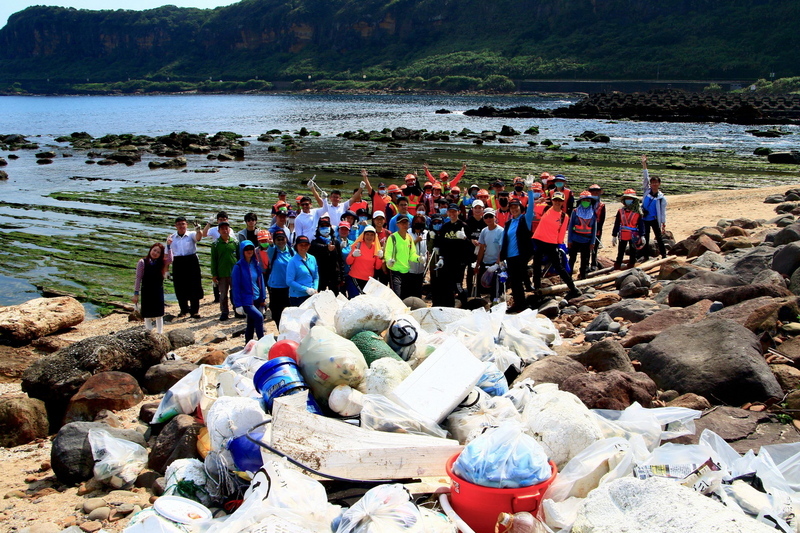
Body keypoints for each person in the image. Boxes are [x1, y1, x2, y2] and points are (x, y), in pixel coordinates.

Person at [532, 192, 580, 300]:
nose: (557, 202)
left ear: (563, 202)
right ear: (552, 200)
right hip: (539, 240)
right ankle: (536, 288)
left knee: (559, 266)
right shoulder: (545, 209)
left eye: (559, 200)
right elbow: (529, 209)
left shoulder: (564, 216)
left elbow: (562, 232)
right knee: (537, 265)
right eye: (555, 200)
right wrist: (536, 201)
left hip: (552, 243)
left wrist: (560, 244)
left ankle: (573, 288)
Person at [433, 203, 471, 306]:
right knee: (448, 285)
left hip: (459, 261)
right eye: (450, 211)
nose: (452, 214)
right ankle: (449, 305)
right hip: (447, 261)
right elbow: (442, 243)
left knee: (458, 285)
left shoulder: (463, 226)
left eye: (455, 211)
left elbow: (470, 245)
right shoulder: (445, 227)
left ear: (458, 212)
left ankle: (465, 305)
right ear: (448, 213)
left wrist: (464, 238)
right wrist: (441, 257)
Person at [167, 216, 204, 318]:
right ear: (175, 226)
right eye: (179, 224)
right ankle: (183, 310)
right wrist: (166, 270)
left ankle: (194, 311)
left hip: (191, 260)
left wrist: (199, 230)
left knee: (194, 286)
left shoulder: (191, 234)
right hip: (178, 262)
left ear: (186, 225)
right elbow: (168, 254)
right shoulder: (172, 237)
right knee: (179, 287)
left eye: (183, 224)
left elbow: (198, 238)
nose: (181, 226)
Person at [231, 240, 266, 343]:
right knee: (259, 318)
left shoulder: (256, 264)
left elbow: (261, 281)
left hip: (257, 298)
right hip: (246, 300)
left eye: (251, 248)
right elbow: (235, 286)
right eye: (246, 249)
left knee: (250, 323)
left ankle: (248, 344)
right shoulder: (238, 267)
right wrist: (238, 305)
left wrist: (263, 299)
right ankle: (262, 343)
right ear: (242, 251)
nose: (249, 251)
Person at [133, 243, 168, 333]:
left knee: (159, 314)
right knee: (147, 314)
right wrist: (136, 294)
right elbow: (138, 278)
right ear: (150, 250)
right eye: (154, 250)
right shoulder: (142, 262)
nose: (155, 253)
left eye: (158, 252)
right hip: (146, 291)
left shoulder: (162, 263)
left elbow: (171, 259)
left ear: (161, 254)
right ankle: (149, 333)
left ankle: (160, 333)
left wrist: (168, 246)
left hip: (158, 290)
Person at [384, 216, 419, 299]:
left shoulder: (409, 238)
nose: (404, 225)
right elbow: (387, 254)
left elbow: (412, 255)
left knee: (405, 297)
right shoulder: (392, 238)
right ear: (397, 225)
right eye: (402, 223)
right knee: (396, 296)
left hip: (406, 271)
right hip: (395, 271)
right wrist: (388, 261)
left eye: (406, 223)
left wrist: (419, 259)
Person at [640, 155, 668, 260]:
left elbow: (662, 211)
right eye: (652, 183)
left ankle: (664, 254)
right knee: (645, 237)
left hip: (654, 219)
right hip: (644, 218)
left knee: (659, 237)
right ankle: (645, 256)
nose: (654, 184)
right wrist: (644, 164)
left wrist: (663, 223)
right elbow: (645, 178)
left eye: (656, 183)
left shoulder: (661, 198)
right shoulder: (647, 191)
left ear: (659, 184)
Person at [210, 221, 238, 320]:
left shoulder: (235, 242)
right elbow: (213, 260)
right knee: (223, 294)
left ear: (229, 230)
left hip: (234, 273)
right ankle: (224, 312)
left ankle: (237, 310)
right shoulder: (215, 244)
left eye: (226, 228)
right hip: (222, 273)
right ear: (219, 231)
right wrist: (214, 274)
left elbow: (238, 258)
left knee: (235, 292)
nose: (225, 231)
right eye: (222, 229)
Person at [475, 209, 505, 302]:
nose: (488, 219)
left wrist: (497, 263)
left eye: (491, 217)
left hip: (496, 263)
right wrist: (477, 264)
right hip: (486, 261)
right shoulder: (484, 231)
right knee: (482, 285)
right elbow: (481, 248)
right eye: (486, 217)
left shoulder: (500, 231)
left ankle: (495, 303)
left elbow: (501, 248)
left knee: (496, 289)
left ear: (495, 217)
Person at [567, 191, 598, 280]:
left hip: (587, 240)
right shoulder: (575, 212)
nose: (586, 202)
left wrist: (592, 242)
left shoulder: (593, 213)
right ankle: (568, 276)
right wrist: (569, 240)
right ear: (580, 201)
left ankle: (583, 276)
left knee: (585, 260)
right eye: (584, 200)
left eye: (588, 200)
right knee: (572, 258)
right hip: (575, 239)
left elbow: (594, 229)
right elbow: (570, 227)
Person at [612, 189, 646, 270]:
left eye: (630, 199)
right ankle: (618, 264)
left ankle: (631, 264)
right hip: (623, 233)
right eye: (627, 198)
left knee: (633, 250)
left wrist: (642, 235)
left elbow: (641, 224)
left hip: (633, 234)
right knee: (621, 250)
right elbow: (617, 223)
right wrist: (614, 235)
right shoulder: (620, 211)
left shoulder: (638, 212)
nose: (628, 200)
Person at [266, 229, 293, 326]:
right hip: (275, 286)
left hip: (288, 286)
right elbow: (270, 247)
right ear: (274, 241)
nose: (281, 241)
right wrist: (270, 243)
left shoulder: (291, 251)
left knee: (288, 310)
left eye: (283, 239)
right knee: (276, 312)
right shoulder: (272, 251)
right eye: (278, 239)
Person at [345, 225, 383, 297]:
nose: (369, 237)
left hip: (368, 281)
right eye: (367, 234)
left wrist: (380, 258)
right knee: (355, 299)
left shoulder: (376, 248)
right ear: (363, 235)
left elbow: (377, 267)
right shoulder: (358, 245)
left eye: (372, 235)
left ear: (374, 237)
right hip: (355, 278)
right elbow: (348, 262)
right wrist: (353, 255)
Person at [309, 216, 344, 294]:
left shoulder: (335, 242)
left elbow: (340, 260)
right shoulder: (314, 243)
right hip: (320, 276)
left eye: (327, 226)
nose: (325, 228)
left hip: (333, 276)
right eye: (322, 226)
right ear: (318, 228)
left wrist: (341, 277)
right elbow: (315, 248)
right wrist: (326, 248)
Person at [202, 210, 229, 303]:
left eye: (224, 219)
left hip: (226, 254)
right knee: (216, 275)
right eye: (220, 219)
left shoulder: (229, 229)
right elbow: (203, 234)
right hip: (217, 254)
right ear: (217, 221)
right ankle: (216, 297)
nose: (222, 221)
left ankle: (224, 294)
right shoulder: (214, 230)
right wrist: (209, 223)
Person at [286, 235, 318, 306]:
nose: (303, 247)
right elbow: (289, 281)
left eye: (306, 245)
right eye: (301, 245)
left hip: (311, 295)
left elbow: (316, 276)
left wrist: (315, 288)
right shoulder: (292, 261)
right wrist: (306, 289)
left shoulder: (312, 258)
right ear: (296, 246)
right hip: (298, 296)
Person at [407, 214, 429, 297]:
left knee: (418, 292)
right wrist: (415, 241)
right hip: (410, 269)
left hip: (421, 269)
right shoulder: (408, 233)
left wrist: (426, 264)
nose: (419, 223)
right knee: (409, 292)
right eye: (417, 222)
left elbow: (427, 250)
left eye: (421, 222)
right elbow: (406, 247)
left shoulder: (426, 233)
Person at [588, 184, 607, 270]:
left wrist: (597, 229)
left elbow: (602, 219)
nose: (595, 193)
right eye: (593, 192)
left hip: (597, 229)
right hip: (586, 229)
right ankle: (586, 264)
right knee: (586, 248)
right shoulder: (586, 203)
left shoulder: (602, 205)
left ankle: (593, 263)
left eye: (596, 192)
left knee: (595, 247)